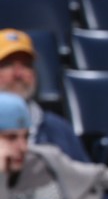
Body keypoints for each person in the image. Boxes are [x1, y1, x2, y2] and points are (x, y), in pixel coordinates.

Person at [0, 28, 80, 157]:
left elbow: (86, 175)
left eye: (26, 65)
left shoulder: (57, 128)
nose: (18, 74)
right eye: (7, 65)